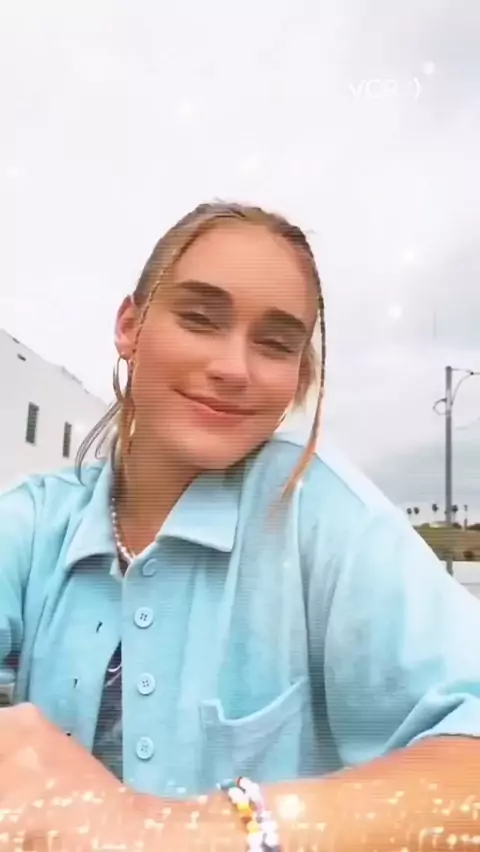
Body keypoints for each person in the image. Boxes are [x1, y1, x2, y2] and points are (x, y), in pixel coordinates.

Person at [1, 201, 480, 851]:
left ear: (299, 377)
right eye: (200, 318)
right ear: (129, 326)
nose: (234, 367)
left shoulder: (319, 515)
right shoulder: (34, 519)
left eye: (276, 344)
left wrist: (177, 829)